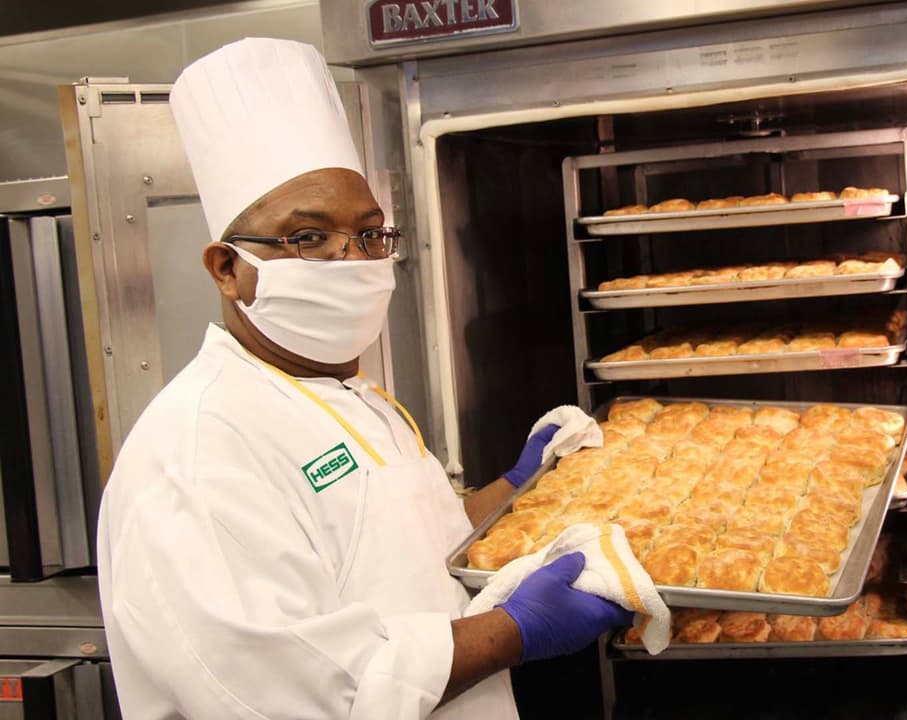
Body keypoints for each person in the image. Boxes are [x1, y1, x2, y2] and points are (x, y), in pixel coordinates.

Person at [96, 37, 632, 719]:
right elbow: (285, 693)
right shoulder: (195, 454)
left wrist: (518, 490)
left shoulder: (351, 397)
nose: (350, 261)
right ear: (226, 269)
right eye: (307, 238)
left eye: (370, 235)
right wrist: (513, 632)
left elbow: (406, 553)